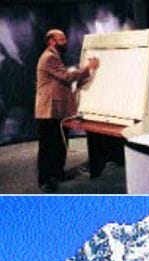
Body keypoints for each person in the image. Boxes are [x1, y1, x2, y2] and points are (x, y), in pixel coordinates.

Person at [35, 29, 99, 191]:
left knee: (59, 144)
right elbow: (67, 77)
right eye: (61, 39)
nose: (66, 41)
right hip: (49, 110)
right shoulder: (49, 57)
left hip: (57, 110)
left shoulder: (54, 56)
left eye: (65, 38)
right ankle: (45, 180)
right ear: (51, 41)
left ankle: (57, 173)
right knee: (48, 147)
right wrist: (88, 68)